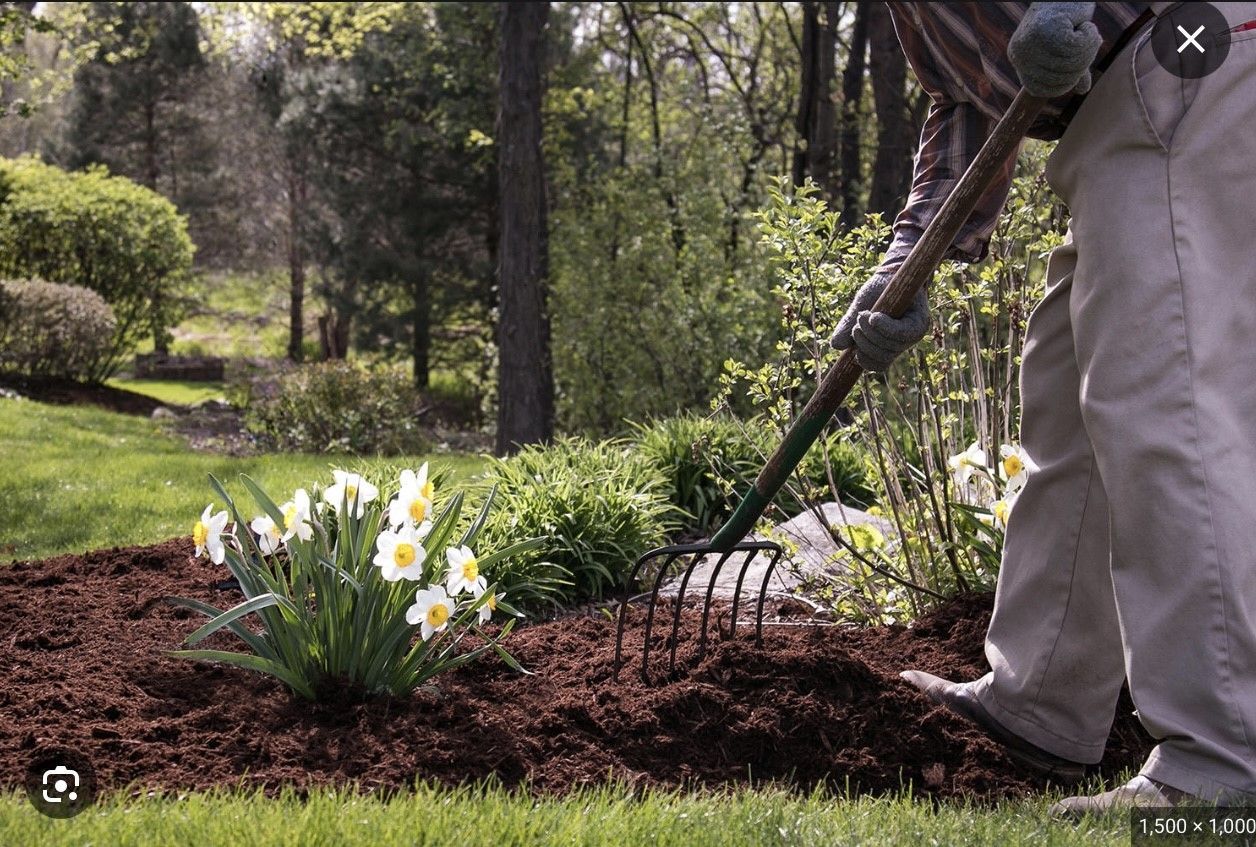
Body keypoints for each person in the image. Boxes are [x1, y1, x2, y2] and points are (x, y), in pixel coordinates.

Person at [834, 1, 1256, 815]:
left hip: (1187, 55)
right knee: (1067, 392)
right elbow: (966, 103)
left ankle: (1226, 762)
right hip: (1123, 109)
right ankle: (1042, 702)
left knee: (1163, 397)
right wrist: (904, 269)